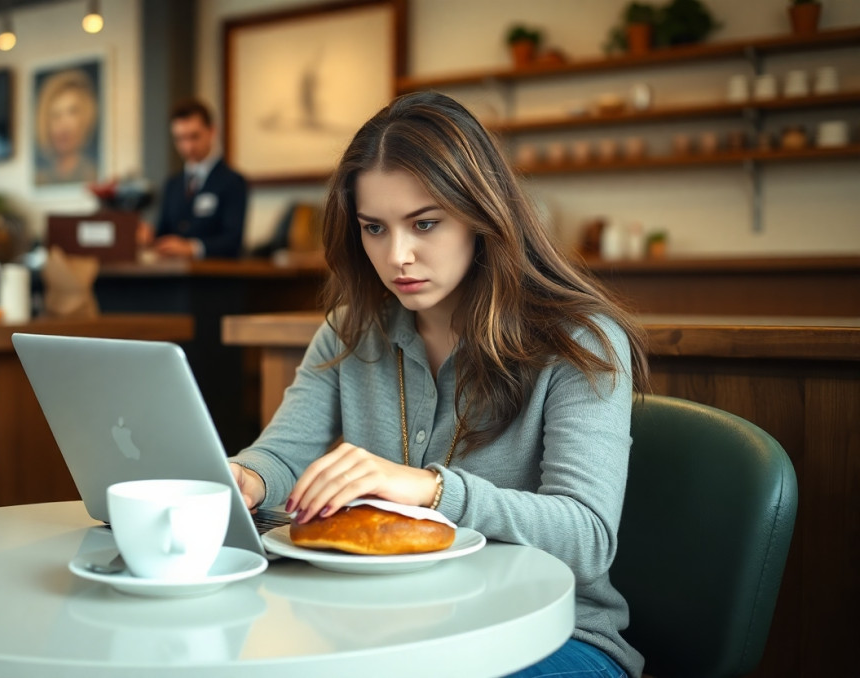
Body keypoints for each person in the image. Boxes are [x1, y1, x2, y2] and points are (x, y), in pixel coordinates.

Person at [228, 92, 651, 678]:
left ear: (482, 214)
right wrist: (243, 477)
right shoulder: (350, 331)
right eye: (374, 228)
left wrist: (428, 491)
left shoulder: (581, 340)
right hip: (381, 627)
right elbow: (281, 455)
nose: (397, 255)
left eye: (425, 223)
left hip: (550, 636)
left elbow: (586, 538)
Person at [141, 100, 249, 259]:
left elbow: (233, 241)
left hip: (213, 277)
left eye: (194, 136)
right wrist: (149, 238)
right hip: (174, 276)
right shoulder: (173, 184)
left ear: (212, 131)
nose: (188, 146)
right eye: (180, 139)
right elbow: (164, 233)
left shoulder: (232, 182)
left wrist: (192, 248)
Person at [35, 69, 99, 185]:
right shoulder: (40, 178)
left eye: (72, 112)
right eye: (56, 115)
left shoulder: (94, 174)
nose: (63, 126)